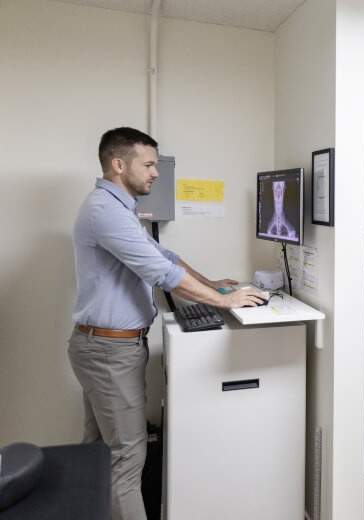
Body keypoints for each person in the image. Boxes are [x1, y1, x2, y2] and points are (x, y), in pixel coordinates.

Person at [68, 127, 264, 520]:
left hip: (106, 347)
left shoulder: (117, 208)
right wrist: (224, 302)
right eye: (149, 164)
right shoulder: (105, 211)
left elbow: (166, 255)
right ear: (118, 164)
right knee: (127, 459)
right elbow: (162, 273)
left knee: (99, 450)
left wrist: (213, 286)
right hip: (109, 351)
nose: (156, 173)